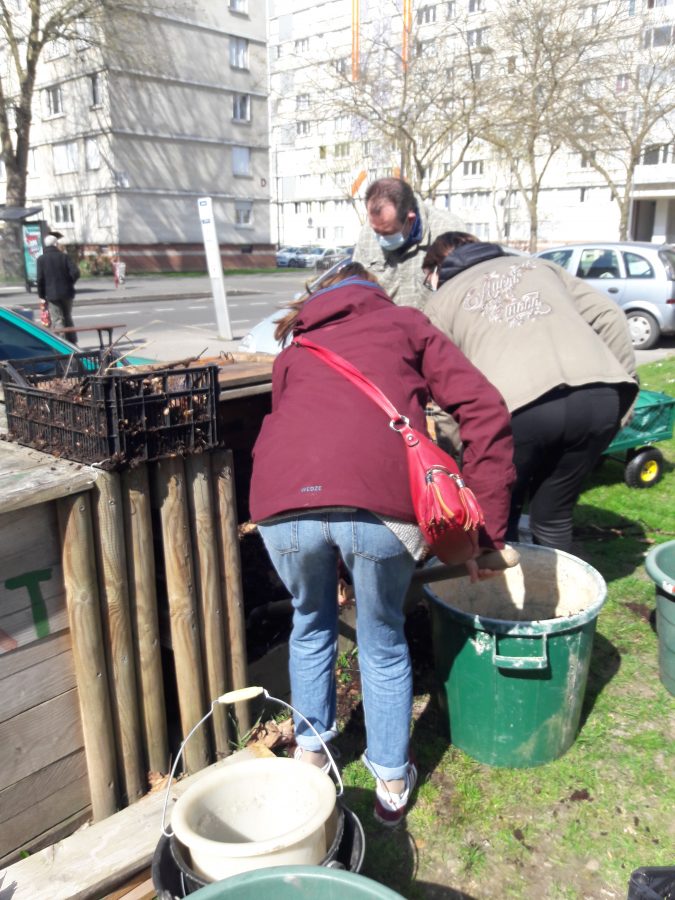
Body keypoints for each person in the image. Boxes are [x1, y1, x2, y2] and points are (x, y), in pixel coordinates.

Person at [249, 262, 515, 827]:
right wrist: (486, 533)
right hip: (381, 505)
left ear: (319, 299)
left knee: (310, 623)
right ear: (376, 292)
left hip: (280, 506)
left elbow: (295, 425)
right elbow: (484, 409)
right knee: (382, 635)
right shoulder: (406, 324)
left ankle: (312, 755)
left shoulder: (295, 349)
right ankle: (391, 782)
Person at [421, 232, 639, 552]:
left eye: (428, 280)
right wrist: (623, 390)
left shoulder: (440, 301)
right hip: (599, 400)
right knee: (553, 516)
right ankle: (562, 600)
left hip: (517, 412)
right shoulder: (541, 268)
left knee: (498, 514)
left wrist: (465, 447)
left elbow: (440, 389)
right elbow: (610, 315)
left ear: (437, 270)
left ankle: (499, 599)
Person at [352, 177, 464, 309]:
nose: (380, 238)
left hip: (431, 326)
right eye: (376, 231)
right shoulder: (368, 233)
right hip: (384, 325)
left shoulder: (449, 231)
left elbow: (460, 296)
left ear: (410, 219)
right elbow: (357, 288)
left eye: (388, 232)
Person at [36, 234, 80, 342]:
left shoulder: (41, 259)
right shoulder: (64, 257)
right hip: (67, 293)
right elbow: (75, 272)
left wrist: (42, 295)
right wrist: (69, 282)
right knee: (68, 316)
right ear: (56, 244)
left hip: (51, 294)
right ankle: (72, 341)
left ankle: (63, 343)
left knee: (57, 319)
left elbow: (40, 279)